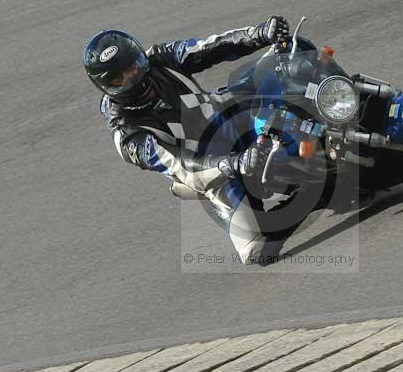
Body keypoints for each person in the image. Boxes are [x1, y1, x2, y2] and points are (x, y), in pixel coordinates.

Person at [83, 16, 296, 265]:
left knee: (292, 53)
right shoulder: (127, 134)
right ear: (105, 86)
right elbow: (182, 166)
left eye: (134, 67)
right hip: (212, 169)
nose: (133, 77)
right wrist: (233, 163)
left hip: (227, 114)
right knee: (256, 251)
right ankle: (291, 202)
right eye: (120, 79)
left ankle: (348, 105)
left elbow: (210, 48)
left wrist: (258, 34)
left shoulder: (159, 57)